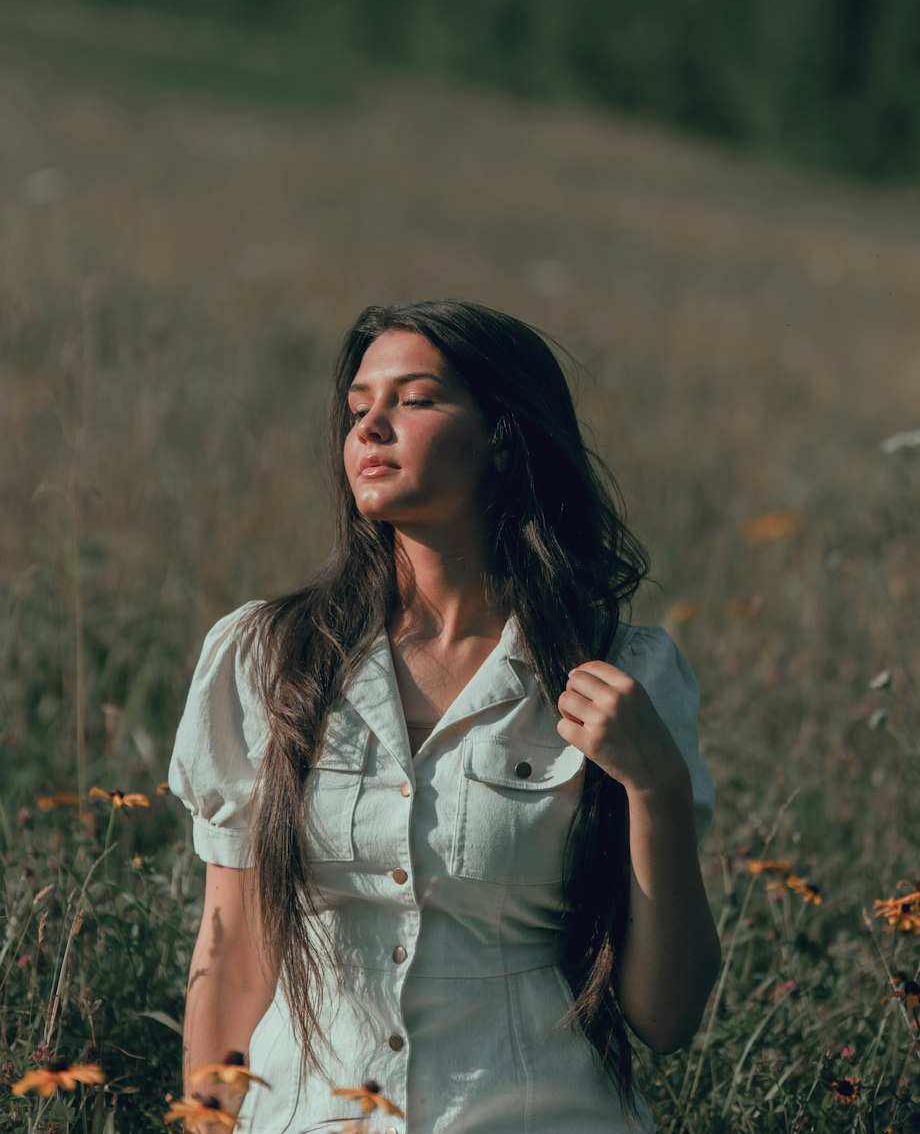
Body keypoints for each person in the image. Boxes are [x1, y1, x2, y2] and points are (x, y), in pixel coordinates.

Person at [167, 298, 720, 1134]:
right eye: (359, 409)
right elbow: (231, 952)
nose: (371, 428)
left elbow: (666, 1016)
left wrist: (657, 786)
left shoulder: (623, 672)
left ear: (503, 436)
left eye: (413, 400)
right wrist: (206, 1123)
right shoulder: (268, 656)